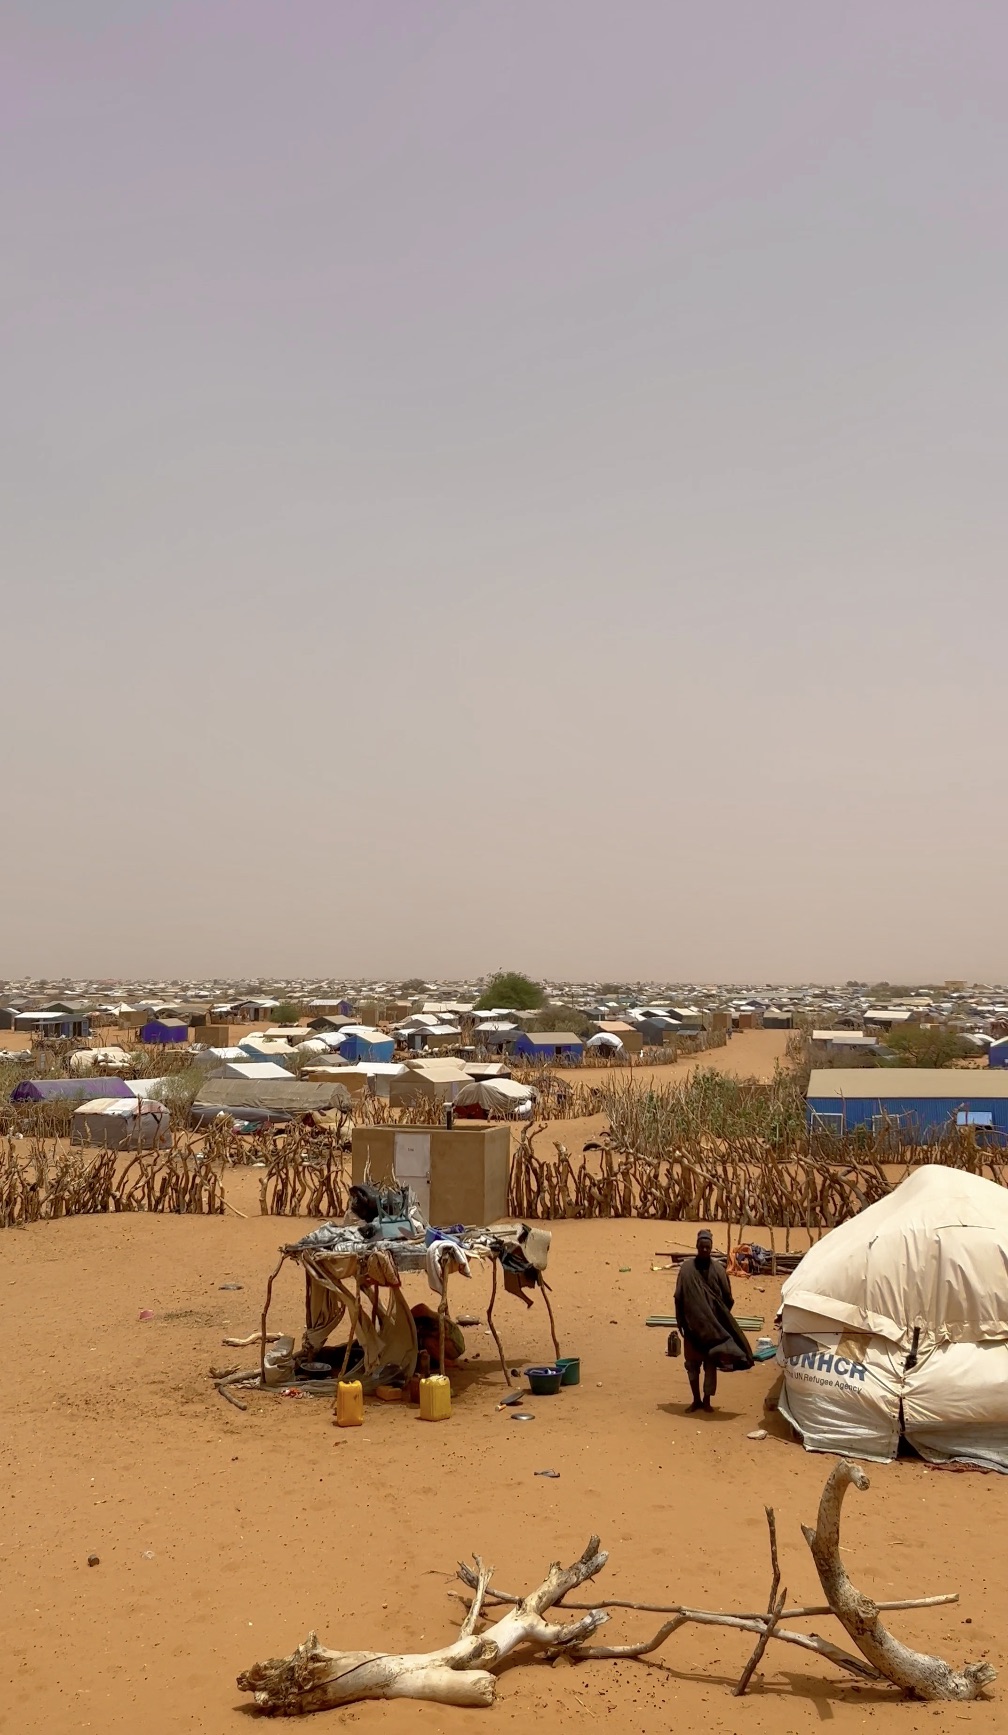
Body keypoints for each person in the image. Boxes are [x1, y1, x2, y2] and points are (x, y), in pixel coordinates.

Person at [674, 1229, 754, 1412]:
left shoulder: (718, 1270)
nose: (704, 1250)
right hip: (691, 1328)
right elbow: (679, 1297)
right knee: (692, 1366)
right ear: (696, 1246)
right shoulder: (686, 1270)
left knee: (710, 1366)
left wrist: (716, 1319)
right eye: (701, 1247)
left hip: (713, 1332)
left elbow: (727, 1299)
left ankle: (707, 1401)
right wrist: (681, 1322)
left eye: (707, 1247)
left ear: (711, 1248)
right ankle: (696, 1400)